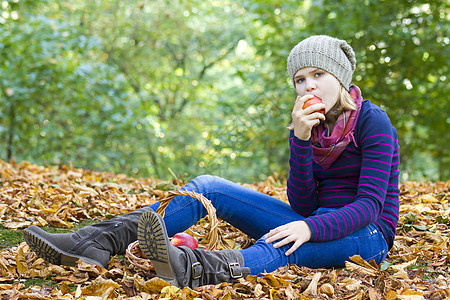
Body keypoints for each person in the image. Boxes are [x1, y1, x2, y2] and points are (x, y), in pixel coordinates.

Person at [23, 35, 400, 288]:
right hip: (314, 221)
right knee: (208, 187)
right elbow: (303, 205)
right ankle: (96, 242)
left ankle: (195, 269)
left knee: (283, 245)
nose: (308, 86)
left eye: (318, 74)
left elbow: (369, 206)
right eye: (300, 80)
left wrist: (308, 229)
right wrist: (299, 140)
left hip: (366, 236)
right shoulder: (306, 126)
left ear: (340, 76)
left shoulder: (373, 121)